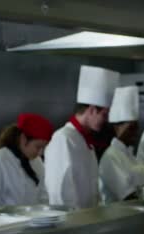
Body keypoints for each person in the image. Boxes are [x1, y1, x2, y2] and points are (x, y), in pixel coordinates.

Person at [45, 65, 119, 209]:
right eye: (104, 114)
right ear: (91, 110)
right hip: (71, 222)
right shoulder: (63, 139)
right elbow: (58, 191)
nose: (107, 120)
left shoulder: (85, 141)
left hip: (86, 219)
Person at [0, 113, 53, 211]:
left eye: (44, 147)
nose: (40, 153)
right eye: (38, 147)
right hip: (2, 224)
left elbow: (43, 197)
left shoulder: (36, 162)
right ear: (23, 139)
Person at [99, 86, 144, 203]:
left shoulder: (129, 155)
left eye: (136, 128)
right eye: (131, 128)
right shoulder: (111, 157)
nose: (136, 133)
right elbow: (127, 195)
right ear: (117, 127)